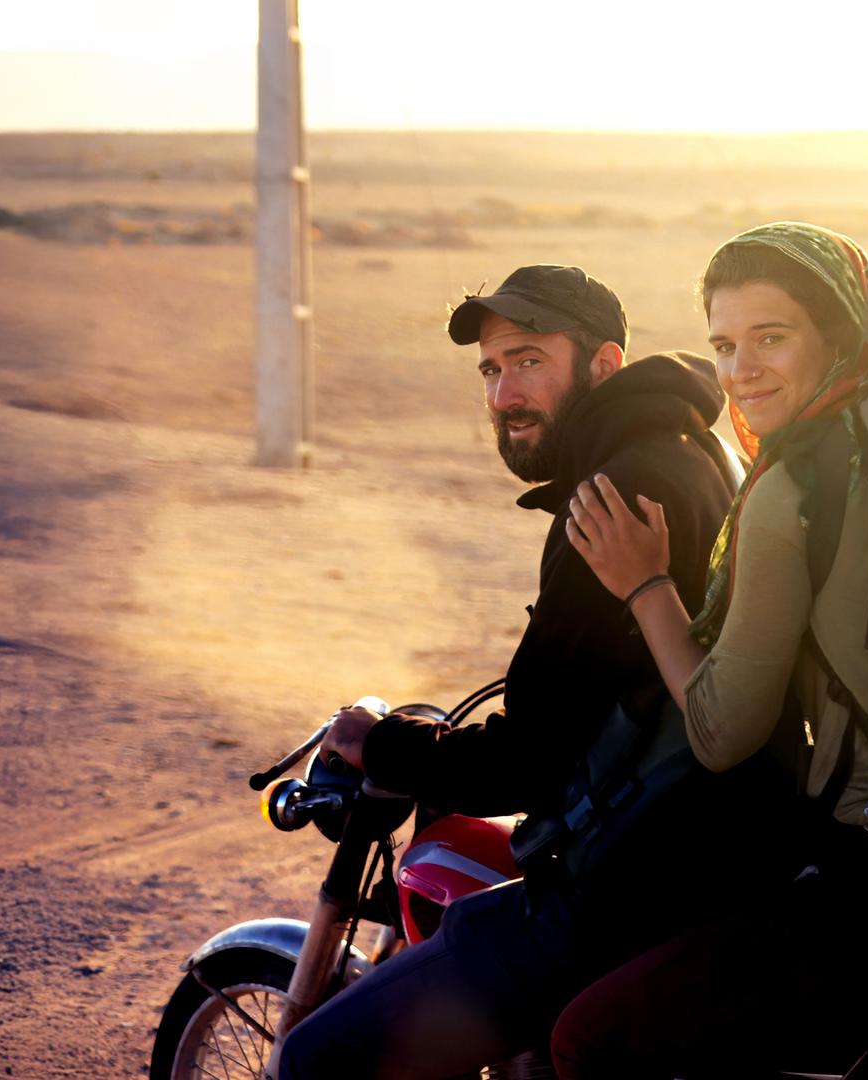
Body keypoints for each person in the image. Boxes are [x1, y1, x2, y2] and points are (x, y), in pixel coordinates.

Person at [274, 264, 756, 1077]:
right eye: (492, 371)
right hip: (697, 844)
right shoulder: (688, 449)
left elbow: (532, 760)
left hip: (630, 879)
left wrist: (384, 747)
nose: (504, 396)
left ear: (603, 366)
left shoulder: (615, 491)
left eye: (529, 360)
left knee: (318, 1059)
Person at [553, 224, 868, 1078]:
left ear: (840, 333)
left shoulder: (796, 486)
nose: (741, 370)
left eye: (772, 338)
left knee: (589, 1039)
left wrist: (645, 587)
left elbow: (722, 731)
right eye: (725, 345)